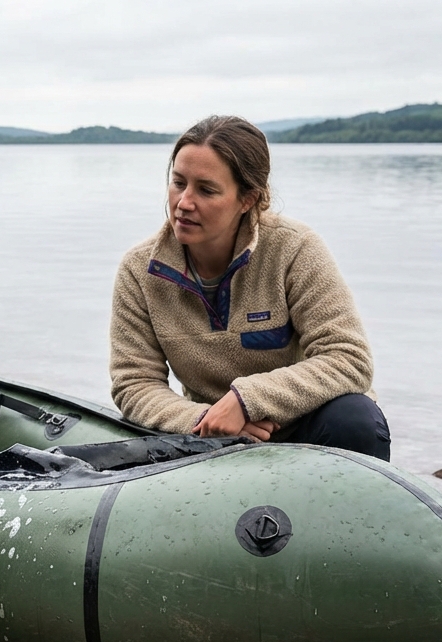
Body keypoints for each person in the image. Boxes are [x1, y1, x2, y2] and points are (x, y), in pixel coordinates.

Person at [110, 115, 389, 460]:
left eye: (206, 190)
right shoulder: (139, 271)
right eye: (178, 183)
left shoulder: (295, 250)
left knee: (357, 419)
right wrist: (204, 421)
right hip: (208, 439)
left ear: (248, 199)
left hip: (304, 428)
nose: (183, 202)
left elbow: (350, 359)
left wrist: (247, 400)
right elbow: (134, 384)